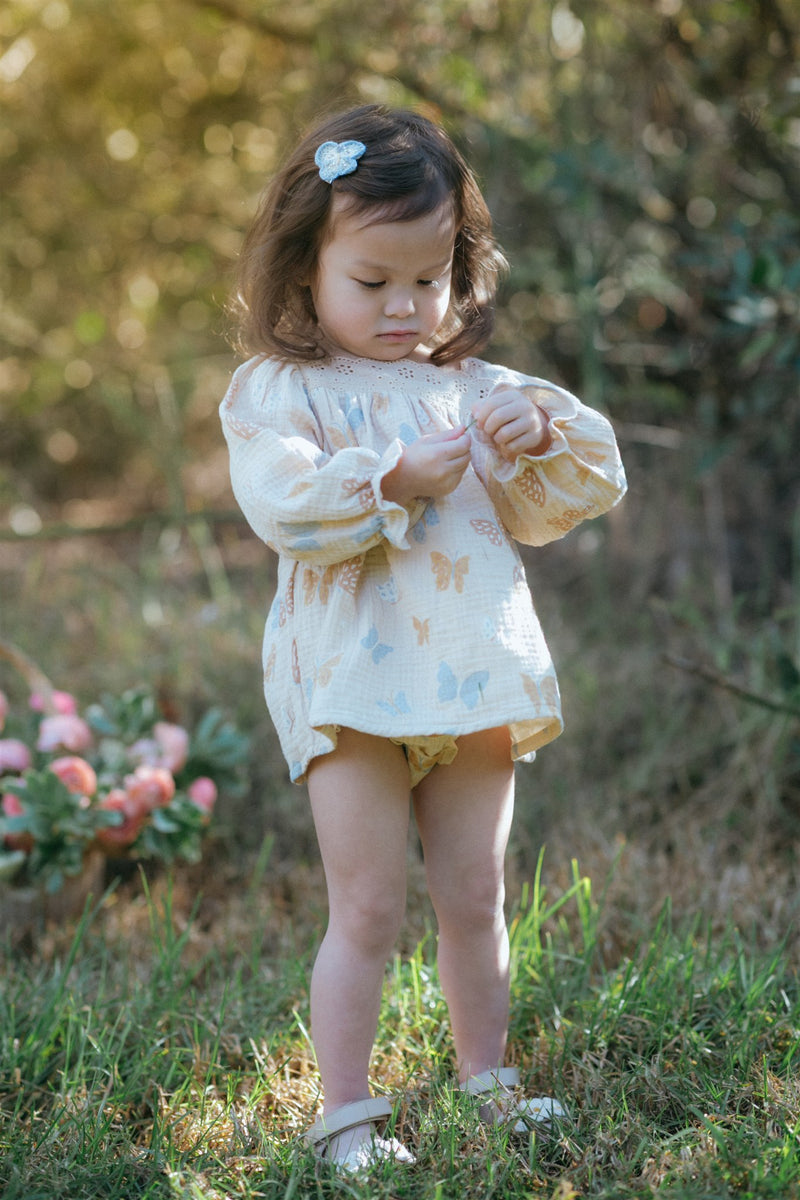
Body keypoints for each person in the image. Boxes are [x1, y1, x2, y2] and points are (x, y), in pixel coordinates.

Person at [220, 104, 626, 1172]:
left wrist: (533, 434)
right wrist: (386, 480)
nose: (404, 307)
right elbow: (285, 508)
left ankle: (484, 1078)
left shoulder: (474, 390)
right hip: (353, 685)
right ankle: (344, 1118)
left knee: (474, 894)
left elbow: (578, 485)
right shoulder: (283, 393)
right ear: (304, 266)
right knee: (364, 903)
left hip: (470, 676)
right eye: (372, 281)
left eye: (428, 277)